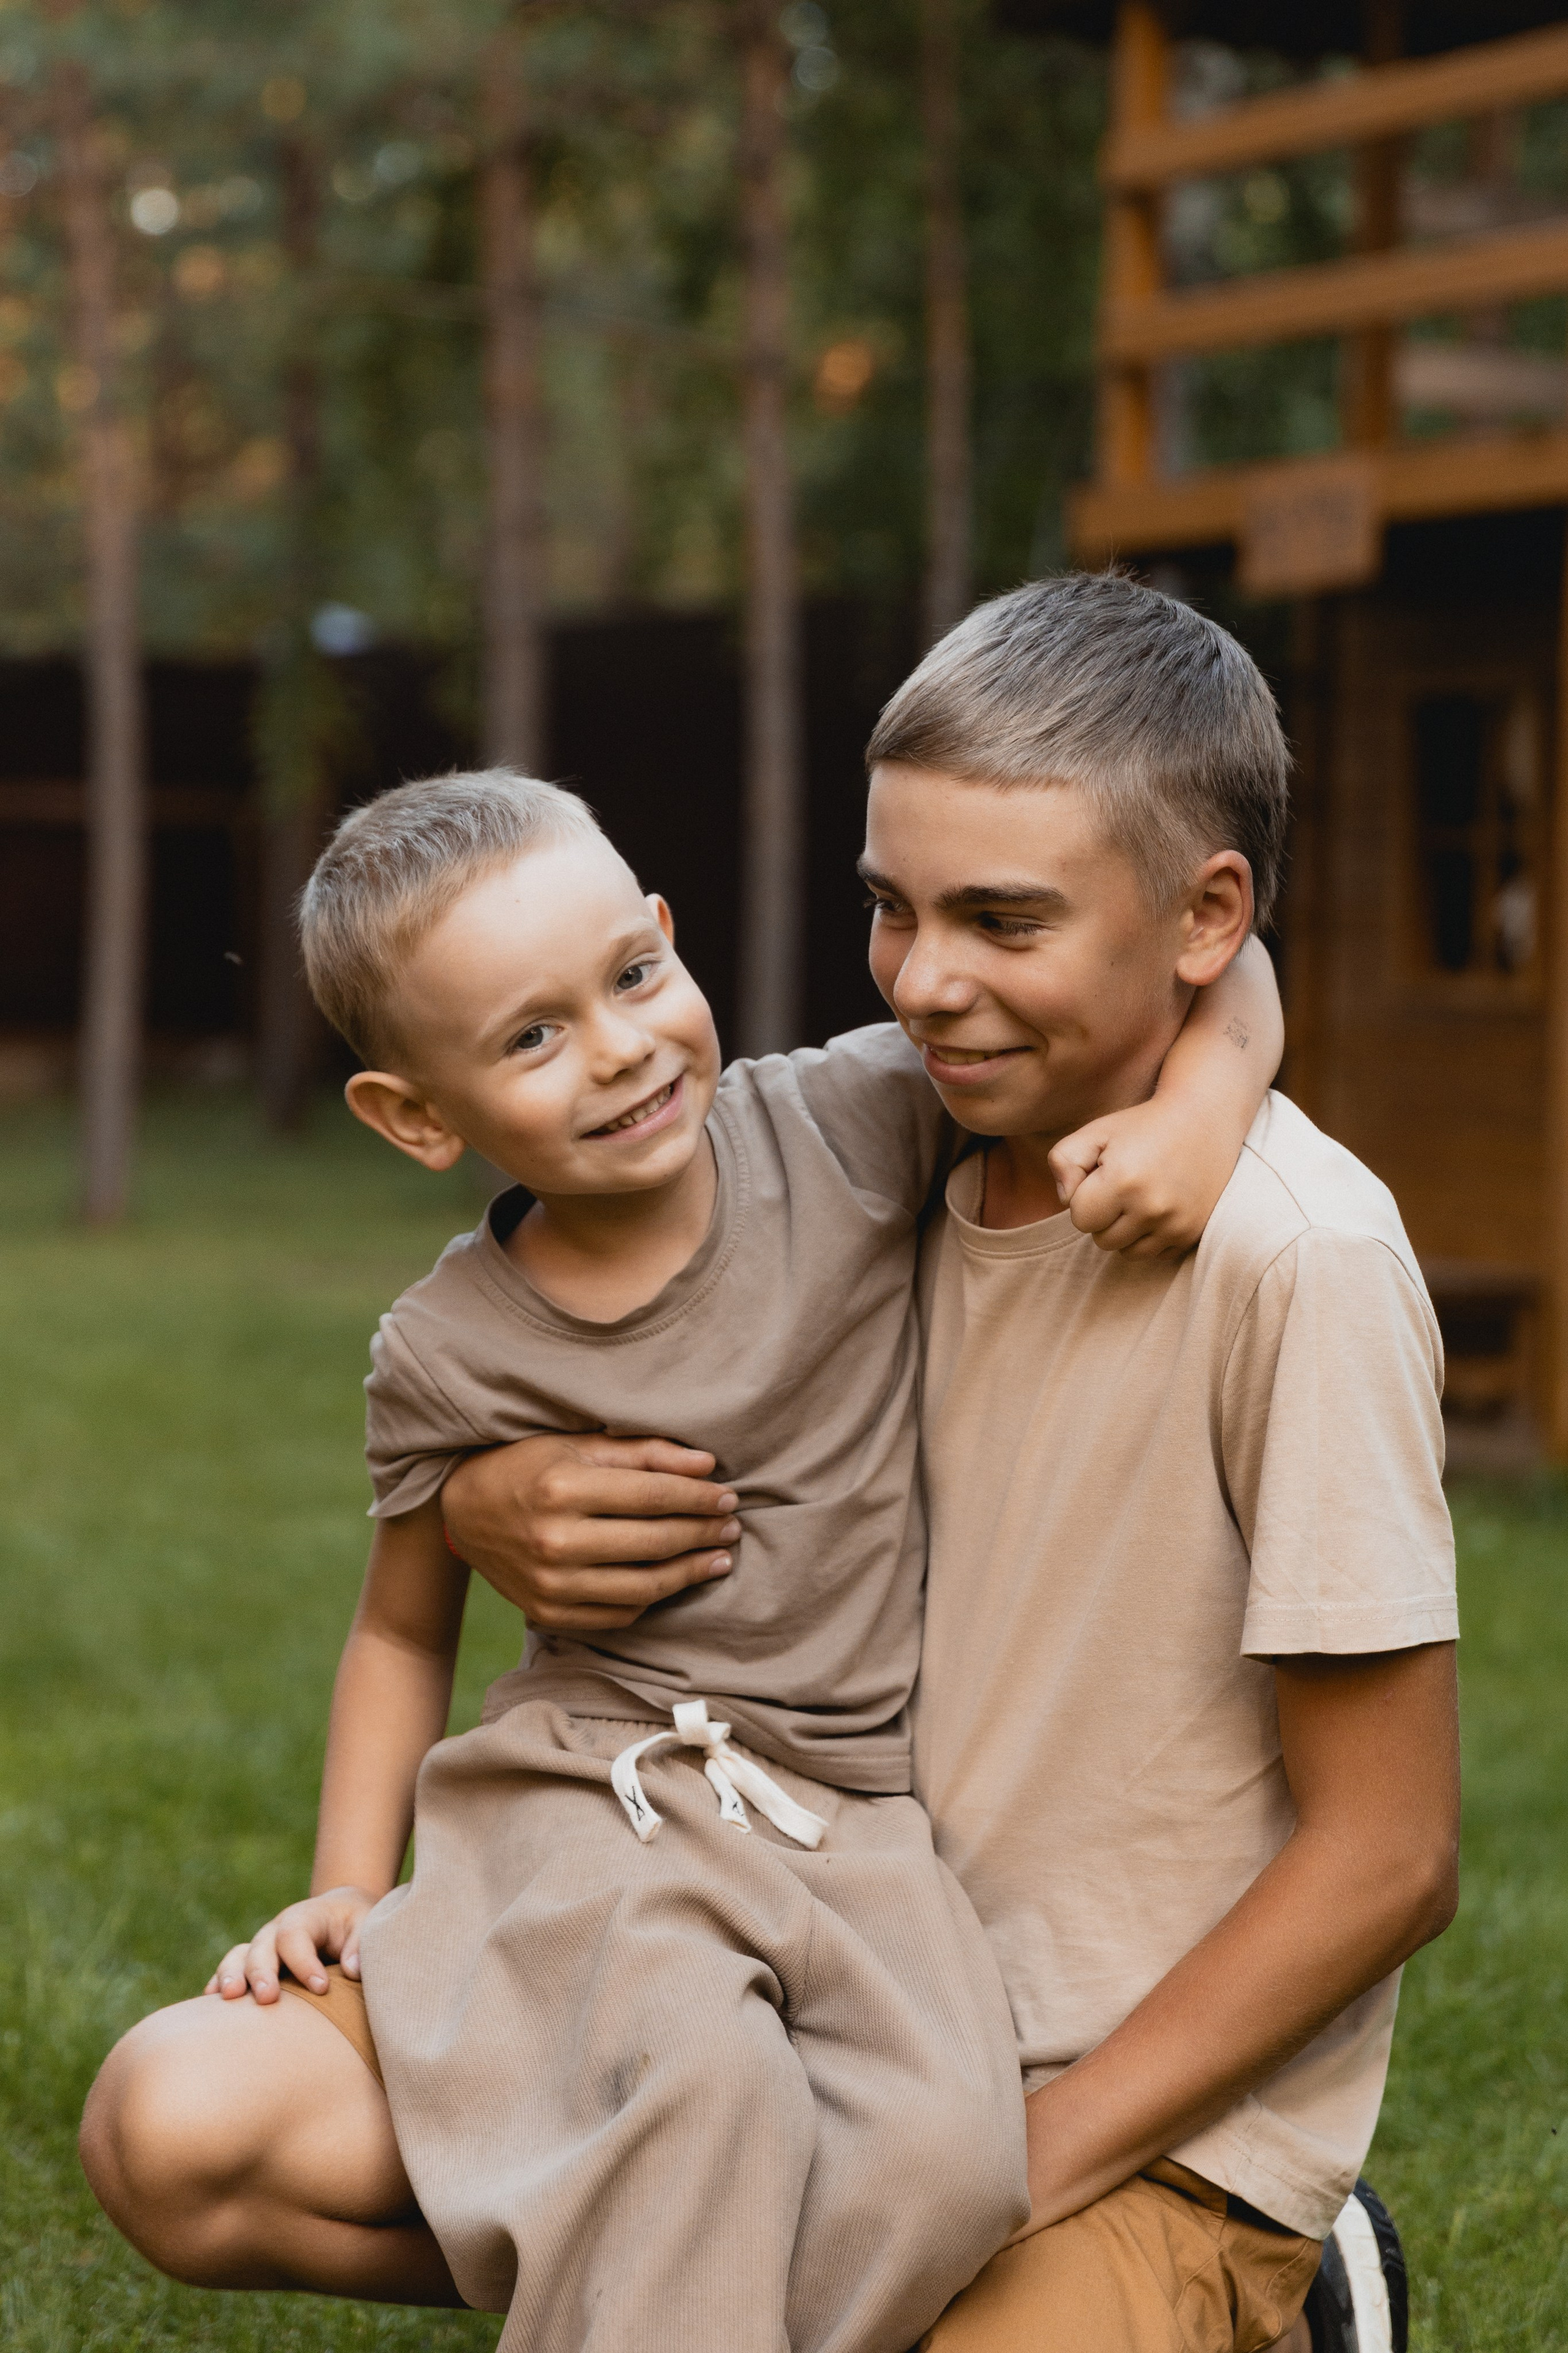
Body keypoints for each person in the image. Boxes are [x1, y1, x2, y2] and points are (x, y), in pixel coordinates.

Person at [79, 754, 1280, 2350]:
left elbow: (1227, 962)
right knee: (694, 2091)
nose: (621, 1047)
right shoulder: (447, 1350)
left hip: (850, 1827)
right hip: (596, 1815)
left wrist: (1203, 1117)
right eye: (531, 1035)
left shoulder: (845, 1128)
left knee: (944, 2169)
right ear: (416, 1115)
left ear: (664, 930)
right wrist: (349, 1886)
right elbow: (395, 1631)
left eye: (633, 974)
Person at [431, 578, 1461, 2353]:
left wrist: (1025, 2155)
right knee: (200, 2136)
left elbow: (1392, 1858)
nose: (924, 980)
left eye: (999, 917)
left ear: (1207, 916)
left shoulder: (1303, 1259)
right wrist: (474, 1498)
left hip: (1138, 2119)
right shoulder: (891, 1147)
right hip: (835, 1995)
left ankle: (1313, 2279)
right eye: (889, 909)